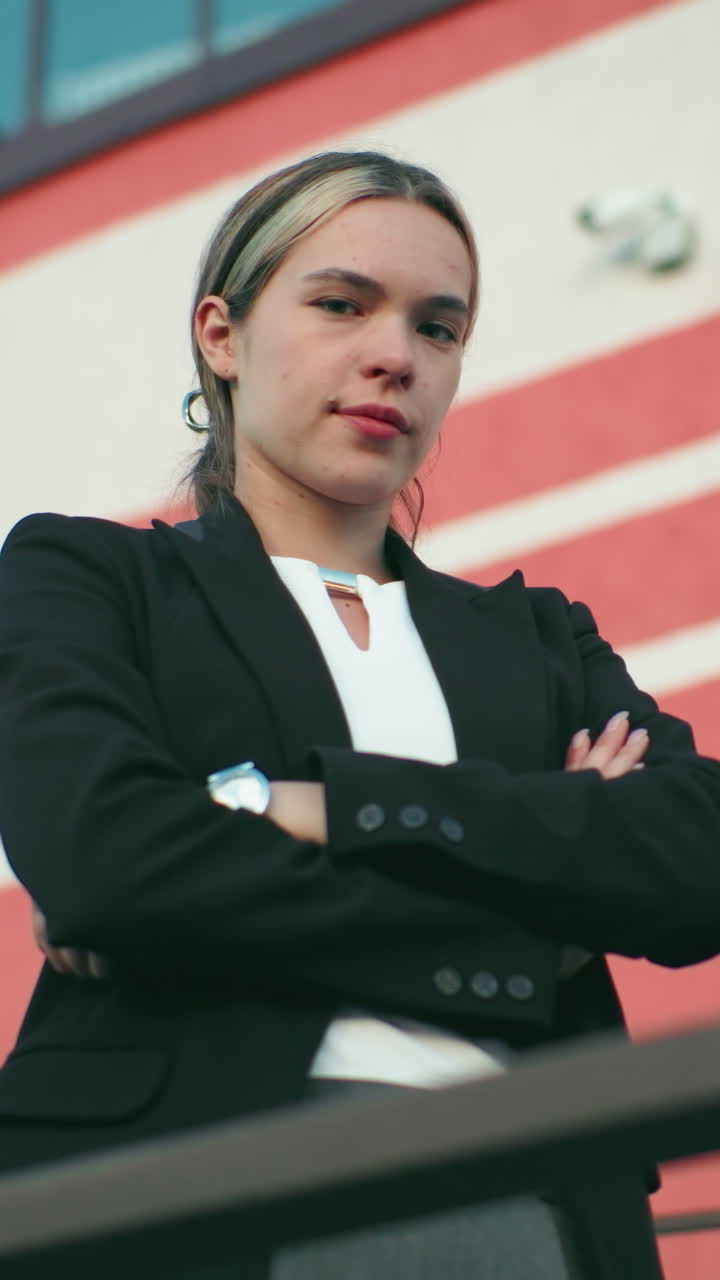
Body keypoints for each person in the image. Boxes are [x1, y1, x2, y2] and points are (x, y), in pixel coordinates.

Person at [0, 149, 718, 1280]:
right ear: (222, 335)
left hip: (535, 1204)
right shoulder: (85, 577)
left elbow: (695, 861)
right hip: (181, 1193)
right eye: (342, 304)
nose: (395, 354)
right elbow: (108, 858)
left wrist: (313, 805)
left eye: (440, 328)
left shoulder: (537, 637)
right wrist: (540, 912)